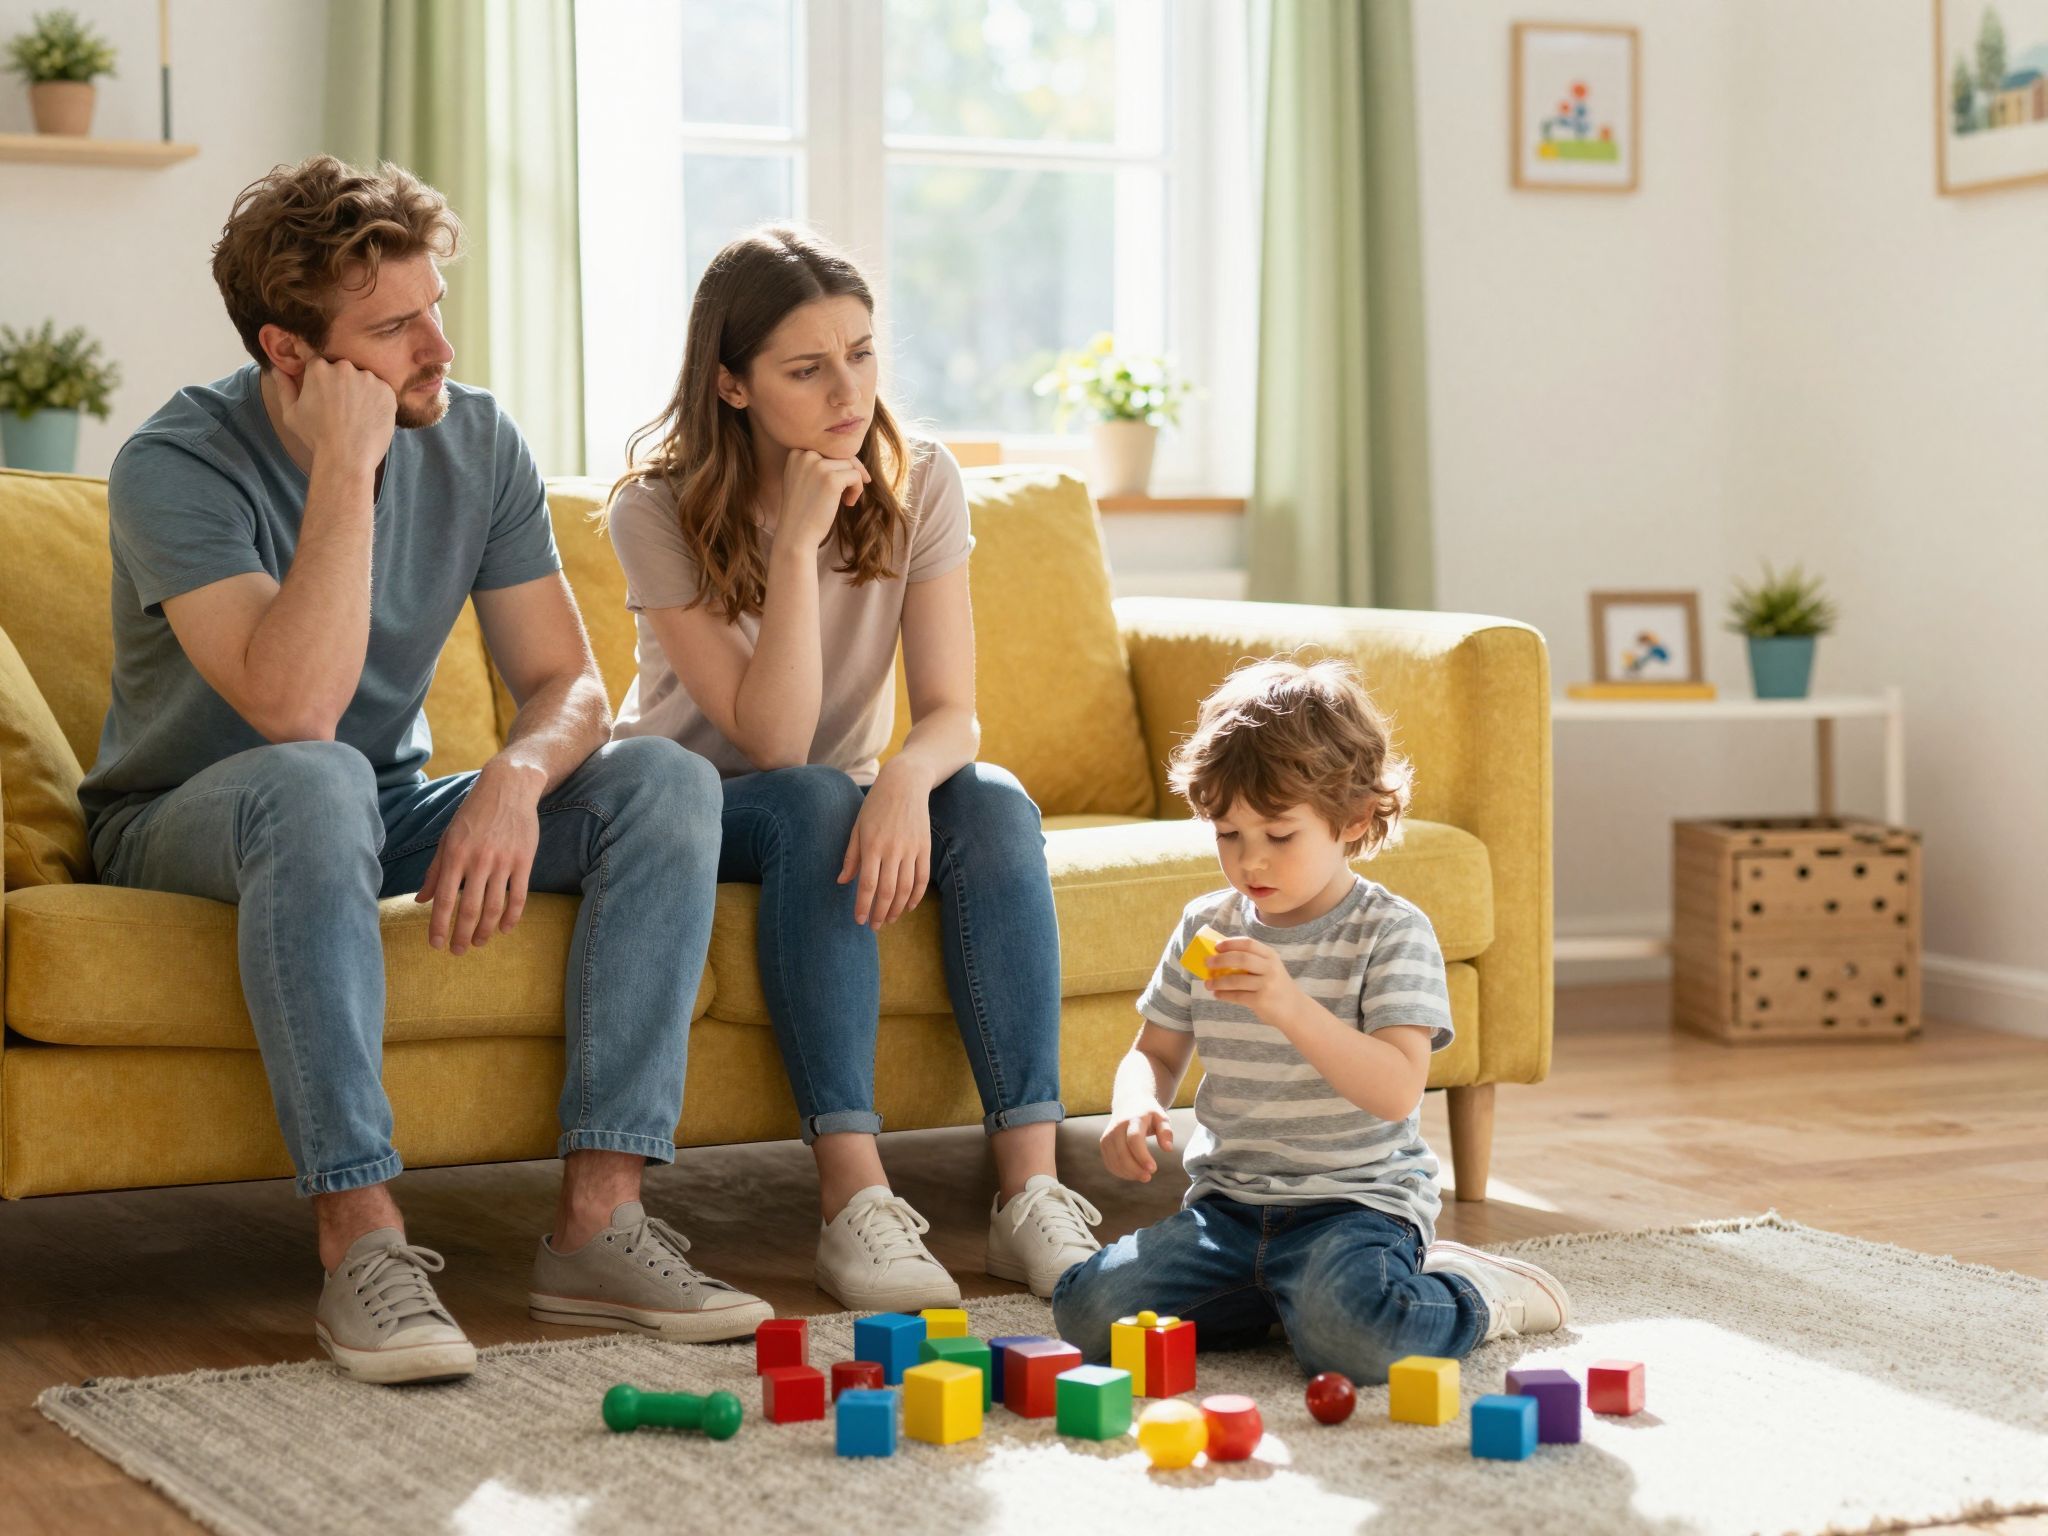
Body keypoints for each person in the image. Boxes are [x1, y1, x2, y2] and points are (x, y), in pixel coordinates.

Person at [78, 156, 770, 1386]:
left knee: (662, 782)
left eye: (433, 306)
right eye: (393, 329)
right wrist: (345, 471)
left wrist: (512, 775)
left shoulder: (478, 437)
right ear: (291, 353)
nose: (435, 346)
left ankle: (600, 1225)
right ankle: (362, 1242)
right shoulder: (173, 463)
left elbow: (569, 687)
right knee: (314, 774)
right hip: (181, 819)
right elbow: (295, 707)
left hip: (381, 802)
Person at [603, 226, 1102, 1310]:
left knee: (996, 801)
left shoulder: (919, 482)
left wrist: (907, 784)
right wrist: (791, 543)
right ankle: (854, 1202)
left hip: (840, 795)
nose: (849, 391)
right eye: (806, 368)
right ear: (730, 385)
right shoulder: (651, 507)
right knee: (815, 794)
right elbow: (771, 745)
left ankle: (1030, 1193)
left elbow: (953, 713)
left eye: (863, 354)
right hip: (700, 811)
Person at [1051, 658, 1570, 1381]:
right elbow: (1156, 1050)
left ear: (1352, 819)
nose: (1249, 860)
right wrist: (1134, 1103)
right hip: (1228, 1210)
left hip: (1356, 1208)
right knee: (1085, 1311)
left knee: (1357, 1343)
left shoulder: (1392, 933)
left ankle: (1480, 1293)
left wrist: (1289, 1006)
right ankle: (1284, 1299)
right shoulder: (1208, 928)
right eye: (1228, 834)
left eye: (1278, 835)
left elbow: (1394, 1091)